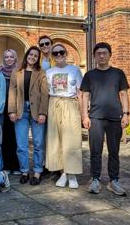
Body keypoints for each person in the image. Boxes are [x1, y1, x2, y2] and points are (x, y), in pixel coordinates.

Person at [81, 42, 130, 196]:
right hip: (95, 117)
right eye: (98, 53)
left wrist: (126, 114)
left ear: (110, 55)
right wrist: (84, 115)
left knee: (114, 151)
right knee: (95, 150)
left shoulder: (118, 73)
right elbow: (85, 96)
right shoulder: (90, 75)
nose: (101, 56)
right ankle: (95, 179)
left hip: (115, 117)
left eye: (104, 53)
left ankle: (113, 181)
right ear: (95, 56)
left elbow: (123, 94)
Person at [8, 46, 48, 185]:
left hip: (37, 111)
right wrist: (11, 110)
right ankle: (24, 171)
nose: (32, 57)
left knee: (38, 143)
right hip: (20, 111)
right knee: (21, 144)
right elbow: (12, 93)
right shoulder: (16, 72)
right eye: (31, 54)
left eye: (36, 56)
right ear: (27, 55)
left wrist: (43, 112)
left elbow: (44, 94)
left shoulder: (41, 73)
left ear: (38, 58)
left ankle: (37, 172)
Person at [45, 43, 83, 189]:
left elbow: (80, 92)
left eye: (61, 52)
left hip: (70, 103)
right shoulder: (49, 72)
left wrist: (83, 113)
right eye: (55, 53)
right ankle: (63, 172)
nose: (59, 55)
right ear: (53, 56)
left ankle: (71, 174)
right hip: (54, 104)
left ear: (66, 54)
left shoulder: (74, 70)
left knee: (72, 139)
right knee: (57, 140)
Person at [0, 49, 20, 175]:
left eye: (11, 57)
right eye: (6, 57)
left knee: (15, 137)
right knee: (3, 137)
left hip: (16, 108)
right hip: (1, 109)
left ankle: (15, 165)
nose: (9, 59)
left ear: (15, 58)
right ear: (3, 58)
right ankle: (5, 165)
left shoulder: (19, 72)